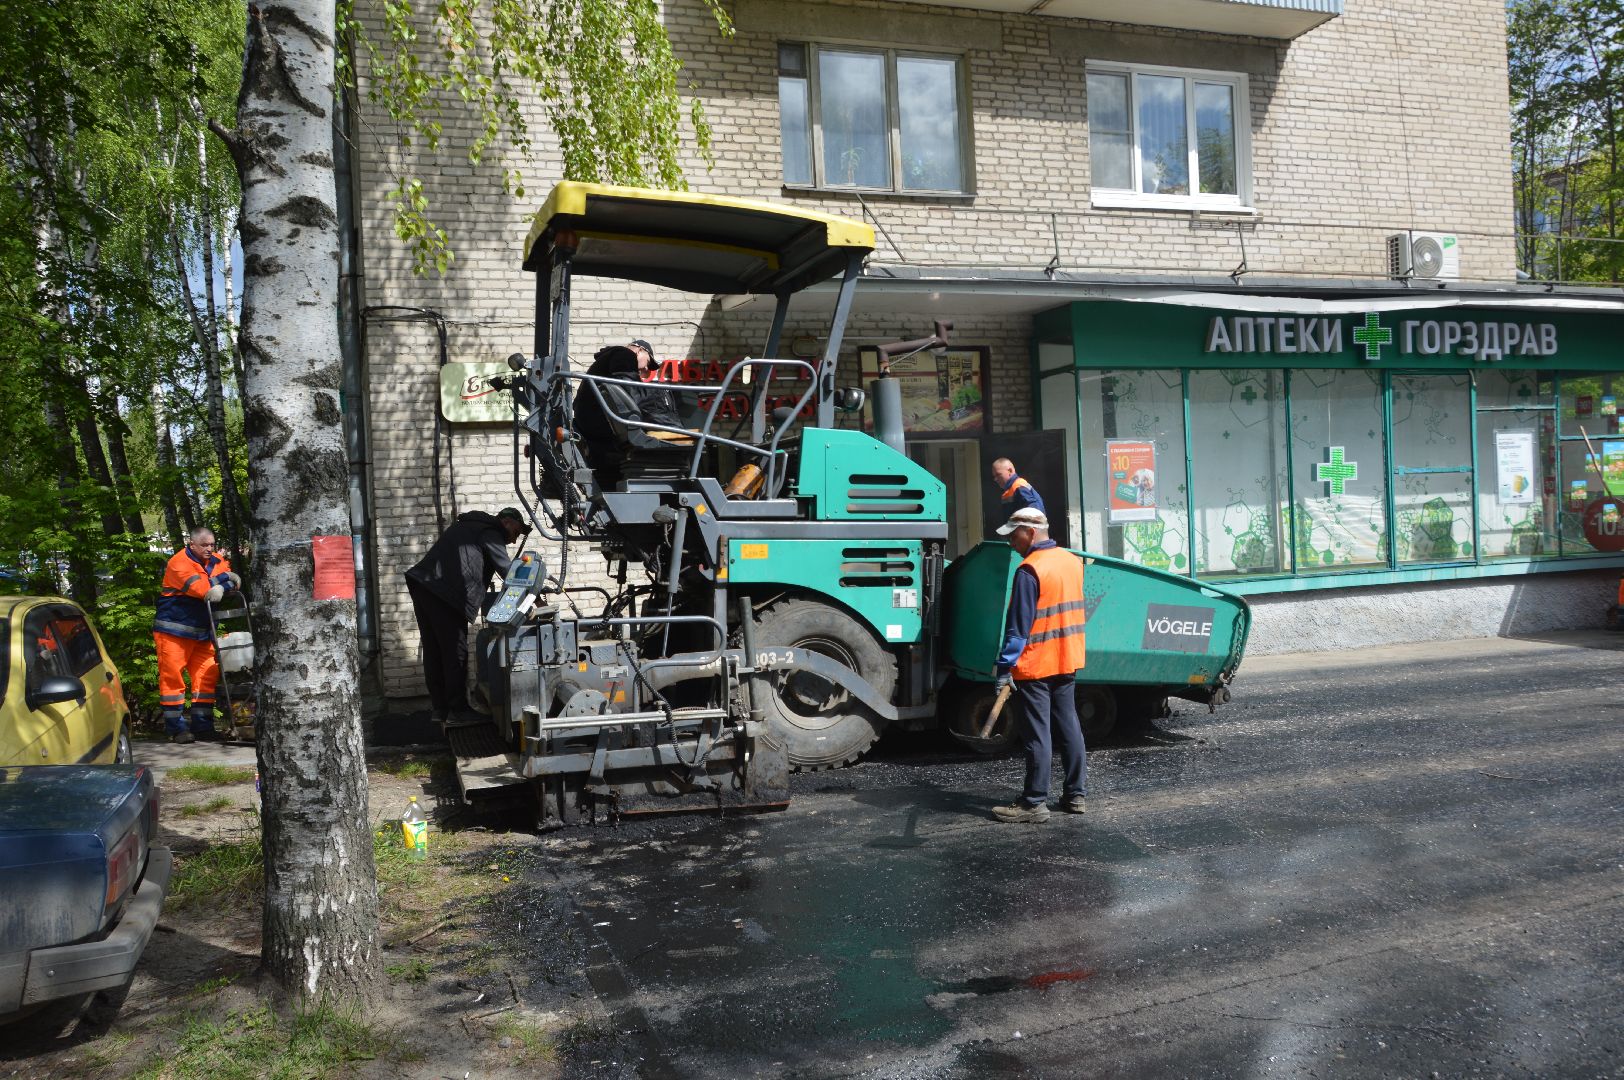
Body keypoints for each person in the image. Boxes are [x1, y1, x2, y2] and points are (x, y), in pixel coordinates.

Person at [989, 507, 1088, 823]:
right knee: (1069, 725)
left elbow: (1019, 627)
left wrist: (1004, 667)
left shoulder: (1029, 571)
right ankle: (1075, 795)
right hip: (1067, 657)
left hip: (1035, 664)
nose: (1010, 543)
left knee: (1037, 734)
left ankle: (1034, 803)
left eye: (1013, 535)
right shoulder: (1071, 562)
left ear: (1030, 532)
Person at [405, 507, 531, 725]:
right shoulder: (491, 531)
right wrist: (533, 595)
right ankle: (458, 710)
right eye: (516, 533)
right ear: (508, 523)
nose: (513, 541)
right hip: (445, 594)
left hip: (423, 587)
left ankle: (440, 709)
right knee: (456, 652)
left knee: (434, 650)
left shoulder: (468, 526)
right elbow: (507, 571)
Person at [153, 526, 240, 743]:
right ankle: (177, 729)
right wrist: (224, 580)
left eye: (212, 544)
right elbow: (203, 591)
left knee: (206, 679)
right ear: (192, 544)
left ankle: (203, 728)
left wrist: (224, 582)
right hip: (174, 631)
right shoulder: (178, 563)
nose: (210, 549)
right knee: (173, 680)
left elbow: (235, 583)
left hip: (203, 631)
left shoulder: (218, 560)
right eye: (204, 545)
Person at [627, 338, 683, 428]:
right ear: (639, 351)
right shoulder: (649, 389)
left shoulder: (618, 378)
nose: (646, 368)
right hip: (657, 434)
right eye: (648, 362)